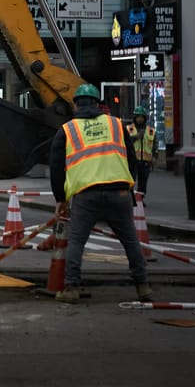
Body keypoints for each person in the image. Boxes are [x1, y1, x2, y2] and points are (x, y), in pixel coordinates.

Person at [49, 83, 152, 304]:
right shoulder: (116, 125)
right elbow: (131, 158)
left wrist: (61, 199)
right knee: (131, 241)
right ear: (98, 104)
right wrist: (130, 188)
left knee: (76, 241)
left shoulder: (68, 130)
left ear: (75, 105)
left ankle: (72, 288)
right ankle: (143, 287)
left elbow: (56, 167)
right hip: (120, 192)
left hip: (87, 195)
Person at [126, 105, 157, 197]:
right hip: (133, 160)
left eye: (141, 117)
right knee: (131, 181)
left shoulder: (150, 130)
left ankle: (140, 200)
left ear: (145, 118)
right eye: (138, 116)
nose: (139, 119)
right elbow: (125, 142)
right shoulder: (129, 129)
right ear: (134, 117)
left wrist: (155, 157)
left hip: (145, 162)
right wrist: (136, 137)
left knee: (143, 183)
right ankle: (131, 198)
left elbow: (155, 145)